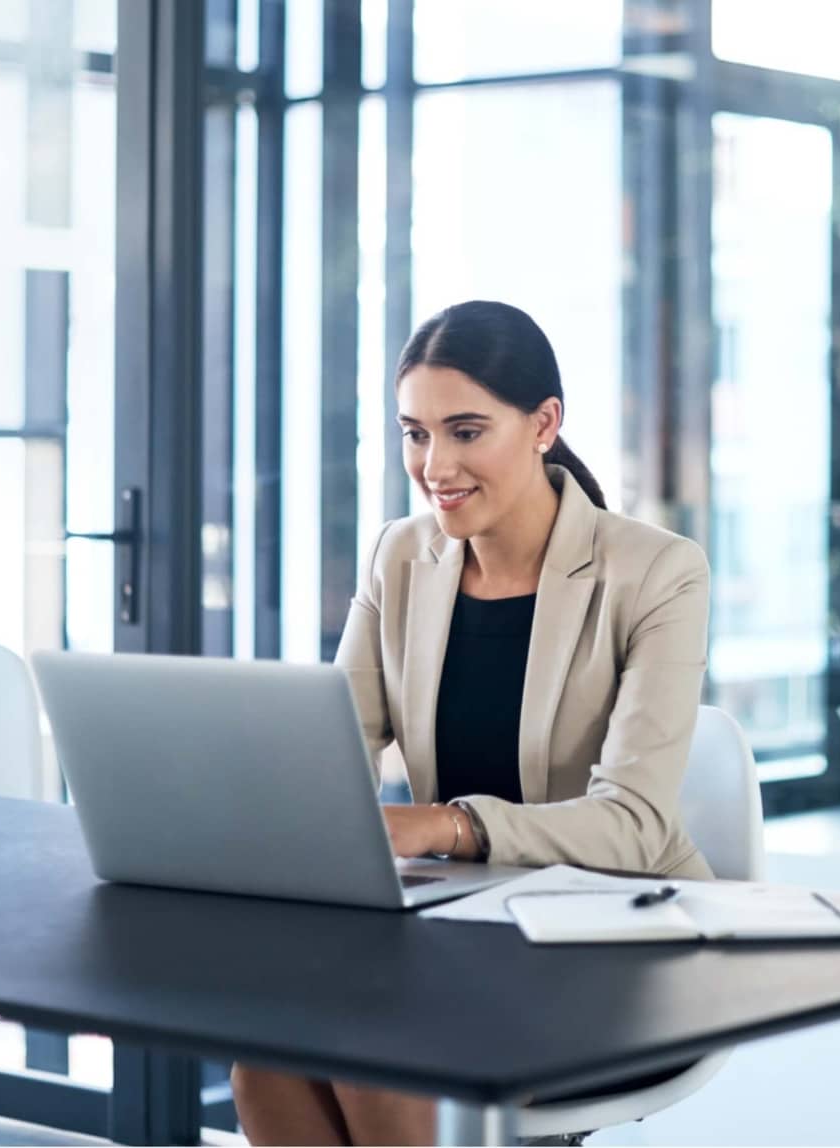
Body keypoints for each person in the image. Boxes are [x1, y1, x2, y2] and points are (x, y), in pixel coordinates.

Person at [230, 300, 713, 1145]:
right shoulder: (401, 555)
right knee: (262, 1060)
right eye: (414, 433)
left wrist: (444, 825)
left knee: (377, 1052)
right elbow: (331, 750)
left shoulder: (656, 572)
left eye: (463, 431)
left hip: (615, 937)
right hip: (459, 927)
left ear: (544, 424)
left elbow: (636, 825)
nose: (433, 464)